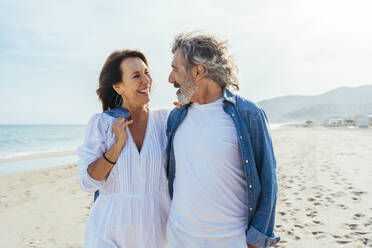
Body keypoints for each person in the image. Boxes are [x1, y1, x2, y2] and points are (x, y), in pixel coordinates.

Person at [166, 32, 280, 248]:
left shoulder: (249, 115)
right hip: (179, 238)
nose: (170, 79)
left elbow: (269, 184)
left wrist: (255, 241)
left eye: (175, 69)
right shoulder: (176, 116)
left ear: (198, 71)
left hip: (231, 241)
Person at [77, 50, 170, 248]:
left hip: (157, 232)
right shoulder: (102, 124)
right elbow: (88, 182)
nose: (146, 80)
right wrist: (117, 146)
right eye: (136, 76)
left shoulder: (165, 121)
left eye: (147, 73)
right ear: (118, 87)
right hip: (109, 232)